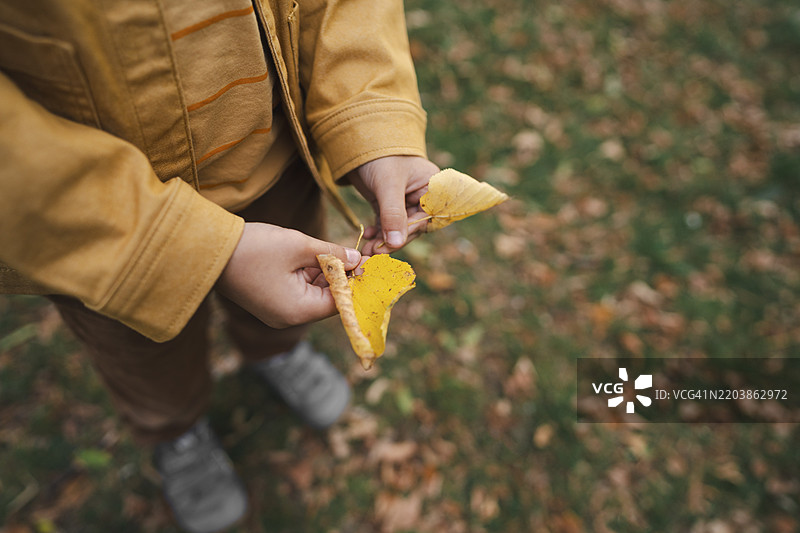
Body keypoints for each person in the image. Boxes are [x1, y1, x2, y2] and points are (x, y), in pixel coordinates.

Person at [0, 0, 438, 531]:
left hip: (278, 161)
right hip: (101, 227)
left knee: (295, 292)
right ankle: (174, 430)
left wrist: (372, 120)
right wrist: (172, 247)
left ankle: (276, 353)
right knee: (145, 351)